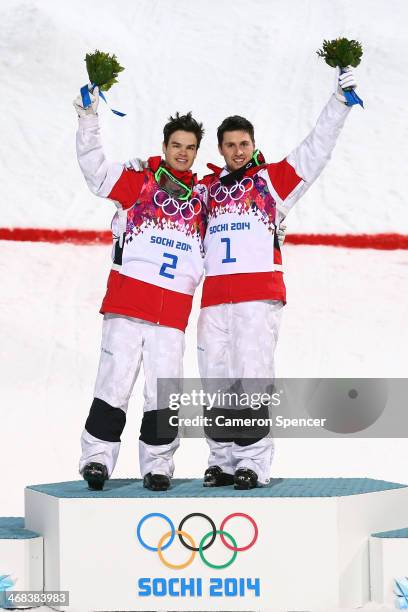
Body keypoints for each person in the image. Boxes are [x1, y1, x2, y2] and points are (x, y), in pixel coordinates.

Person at [198, 67, 359, 489]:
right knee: (215, 379)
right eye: (230, 145)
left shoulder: (270, 182)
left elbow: (314, 150)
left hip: (256, 295)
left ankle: (253, 461)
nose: (237, 151)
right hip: (214, 299)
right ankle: (223, 460)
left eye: (244, 144)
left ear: (254, 146)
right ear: (220, 148)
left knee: (251, 376)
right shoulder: (205, 191)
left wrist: (339, 103)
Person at [73, 86, 206, 491]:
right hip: (128, 305)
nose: (182, 152)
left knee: (163, 393)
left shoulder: (205, 197)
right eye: (176, 145)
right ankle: (97, 458)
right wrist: (88, 117)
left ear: (197, 151)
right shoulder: (140, 182)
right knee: (113, 383)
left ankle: (159, 465)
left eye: (190, 147)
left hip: (170, 314)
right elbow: (96, 171)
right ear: (164, 146)